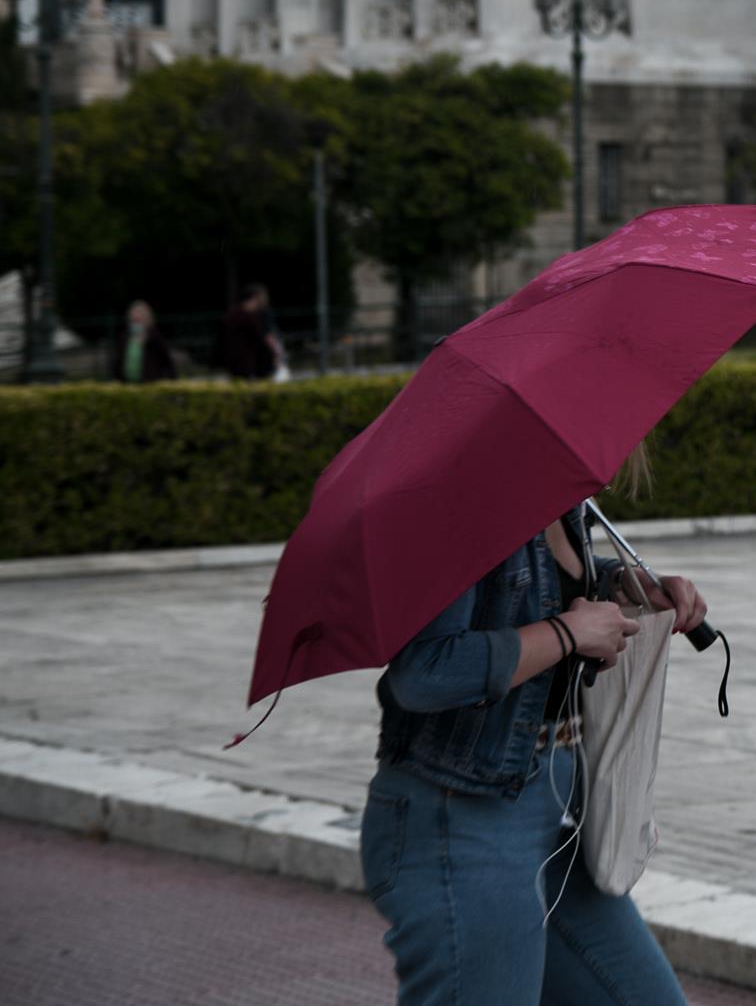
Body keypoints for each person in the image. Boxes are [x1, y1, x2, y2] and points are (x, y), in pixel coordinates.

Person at [360, 449, 705, 1006]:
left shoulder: (561, 497)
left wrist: (623, 585)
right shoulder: (465, 501)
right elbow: (423, 674)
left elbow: (529, 595)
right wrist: (567, 635)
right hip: (463, 818)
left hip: (559, 810)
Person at [217, 284, 276, 380]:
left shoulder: (232, 314)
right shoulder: (247, 317)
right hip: (245, 361)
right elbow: (259, 340)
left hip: (235, 360)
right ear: (255, 298)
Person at [110, 300, 177, 383]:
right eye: (133, 320)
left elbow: (166, 360)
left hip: (150, 382)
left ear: (147, 319)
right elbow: (118, 361)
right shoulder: (125, 336)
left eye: (139, 320)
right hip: (127, 383)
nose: (136, 322)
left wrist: (172, 380)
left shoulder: (154, 336)